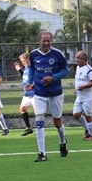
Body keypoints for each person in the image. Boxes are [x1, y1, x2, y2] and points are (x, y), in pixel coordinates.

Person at [24, 30, 69, 162]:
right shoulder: (33, 54)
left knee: (57, 122)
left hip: (55, 93)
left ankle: (62, 142)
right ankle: (42, 153)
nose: (46, 43)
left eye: (48, 40)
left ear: (51, 41)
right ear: (39, 41)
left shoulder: (57, 54)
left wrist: (53, 78)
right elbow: (32, 69)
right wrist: (29, 82)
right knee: (39, 122)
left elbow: (66, 70)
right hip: (39, 93)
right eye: (44, 40)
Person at [72, 51, 92, 140]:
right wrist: (76, 89)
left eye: (78, 58)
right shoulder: (78, 68)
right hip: (80, 96)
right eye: (76, 58)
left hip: (88, 97)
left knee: (88, 116)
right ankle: (87, 129)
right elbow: (79, 80)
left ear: (84, 59)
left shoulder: (89, 69)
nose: (76, 60)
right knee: (76, 114)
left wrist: (84, 86)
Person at [14, 53, 35, 136]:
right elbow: (25, 77)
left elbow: (37, 79)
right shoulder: (26, 68)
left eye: (24, 61)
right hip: (27, 94)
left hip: (34, 93)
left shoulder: (33, 68)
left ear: (28, 59)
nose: (23, 63)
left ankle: (40, 129)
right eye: (22, 62)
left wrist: (32, 86)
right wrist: (19, 70)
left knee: (37, 112)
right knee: (22, 109)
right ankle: (28, 128)